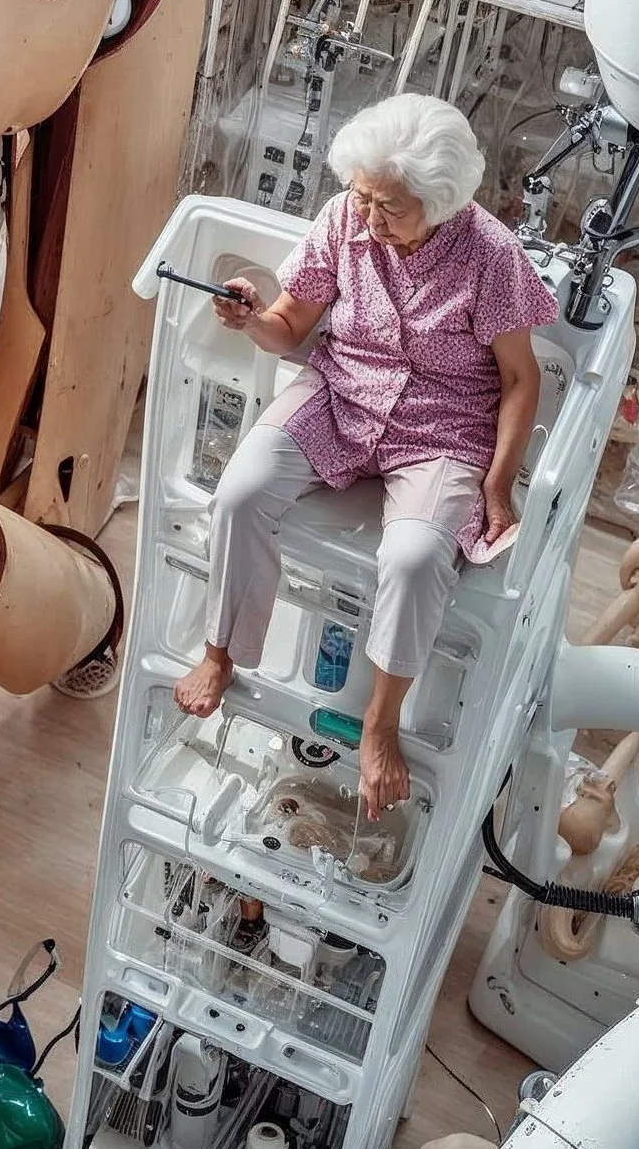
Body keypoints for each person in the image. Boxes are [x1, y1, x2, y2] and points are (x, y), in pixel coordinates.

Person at [173, 94, 558, 817]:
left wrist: (497, 485)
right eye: (363, 197)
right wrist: (250, 318)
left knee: (414, 559)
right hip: (341, 390)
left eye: (391, 207)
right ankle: (220, 653)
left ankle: (381, 724)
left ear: (440, 203)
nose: (371, 218)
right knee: (240, 493)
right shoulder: (344, 217)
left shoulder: (491, 255)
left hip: (442, 427)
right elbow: (290, 328)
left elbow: (518, 380)